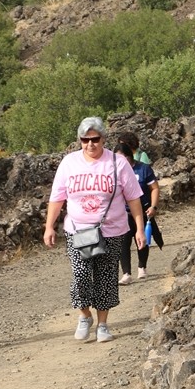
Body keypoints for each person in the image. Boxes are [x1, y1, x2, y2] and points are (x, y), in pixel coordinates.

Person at [44, 117, 145, 344]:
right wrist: (49, 226)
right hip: (78, 231)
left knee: (106, 277)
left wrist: (139, 229)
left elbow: (134, 199)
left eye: (95, 139)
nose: (90, 144)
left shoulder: (118, 163)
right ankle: (84, 315)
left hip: (111, 231)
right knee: (80, 276)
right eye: (85, 140)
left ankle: (102, 324)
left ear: (103, 139)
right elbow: (57, 197)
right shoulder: (69, 163)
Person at [115, 134, 159, 284]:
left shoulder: (143, 169)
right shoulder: (114, 173)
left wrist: (153, 206)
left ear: (129, 156)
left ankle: (142, 266)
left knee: (142, 238)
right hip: (123, 212)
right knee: (123, 243)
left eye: (123, 159)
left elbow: (154, 188)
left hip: (143, 210)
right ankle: (126, 273)